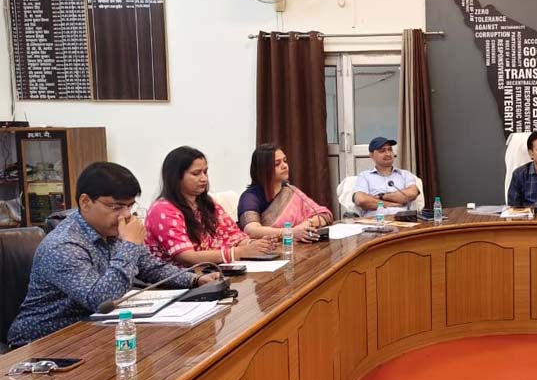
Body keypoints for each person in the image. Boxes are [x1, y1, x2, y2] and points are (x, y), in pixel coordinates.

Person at [7, 162, 219, 347]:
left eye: (130, 206)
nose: (125, 215)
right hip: (42, 344)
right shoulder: (63, 245)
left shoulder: (112, 231)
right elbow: (101, 300)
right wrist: (130, 245)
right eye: (116, 207)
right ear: (85, 202)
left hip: (92, 333)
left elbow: (151, 267)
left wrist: (194, 279)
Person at [146, 147, 276, 267]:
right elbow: (187, 257)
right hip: (180, 278)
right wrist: (240, 252)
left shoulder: (207, 203)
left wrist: (256, 245)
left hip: (212, 272)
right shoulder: (162, 210)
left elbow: (233, 236)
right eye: (196, 173)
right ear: (176, 177)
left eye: (205, 172)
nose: (204, 178)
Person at [237, 144, 332, 242]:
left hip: (300, 244)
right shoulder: (249, 198)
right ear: (263, 169)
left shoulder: (290, 190)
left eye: (285, 161)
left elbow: (325, 215)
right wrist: (290, 232)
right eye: (277, 164)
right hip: (271, 248)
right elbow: (251, 230)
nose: (284, 166)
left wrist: (307, 224)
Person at [353, 137, 421, 217]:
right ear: (371, 155)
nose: (388, 154)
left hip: (402, 220)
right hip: (375, 221)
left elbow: (412, 194)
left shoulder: (405, 174)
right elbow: (361, 200)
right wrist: (392, 204)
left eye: (390, 150)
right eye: (382, 151)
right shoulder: (364, 176)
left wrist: (381, 196)